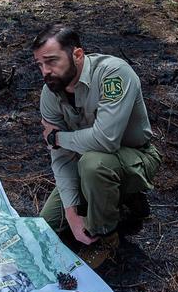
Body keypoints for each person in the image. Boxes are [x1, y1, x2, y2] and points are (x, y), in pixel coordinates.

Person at [32, 23, 161, 249]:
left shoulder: (113, 73)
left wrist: (58, 138)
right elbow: (61, 158)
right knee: (46, 225)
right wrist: (71, 214)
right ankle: (113, 203)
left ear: (78, 54)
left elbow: (105, 140)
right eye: (40, 64)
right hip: (85, 166)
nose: (45, 72)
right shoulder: (51, 92)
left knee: (93, 164)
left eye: (52, 61)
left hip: (135, 157)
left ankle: (106, 236)